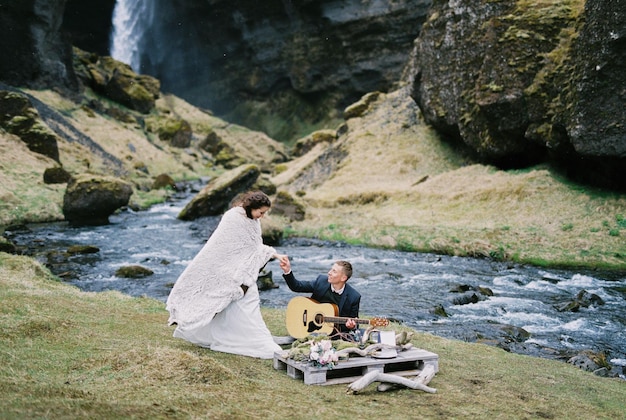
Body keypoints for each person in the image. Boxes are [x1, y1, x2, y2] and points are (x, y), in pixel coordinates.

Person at [166, 191, 289, 359]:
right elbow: (220, 246)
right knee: (228, 306)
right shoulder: (232, 217)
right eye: (261, 212)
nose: (262, 216)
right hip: (226, 270)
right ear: (252, 207)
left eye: (264, 213)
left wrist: (274, 254)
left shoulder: (254, 222)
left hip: (244, 271)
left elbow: (255, 247)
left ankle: (256, 340)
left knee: (248, 304)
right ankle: (248, 341)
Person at [280, 258, 361, 337]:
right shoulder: (321, 281)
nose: (329, 273)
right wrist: (287, 271)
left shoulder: (353, 296)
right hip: (311, 327)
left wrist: (351, 326)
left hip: (334, 333)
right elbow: (296, 286)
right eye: (331, 269)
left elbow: (354, 322)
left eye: (334, 271)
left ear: (343, 278)